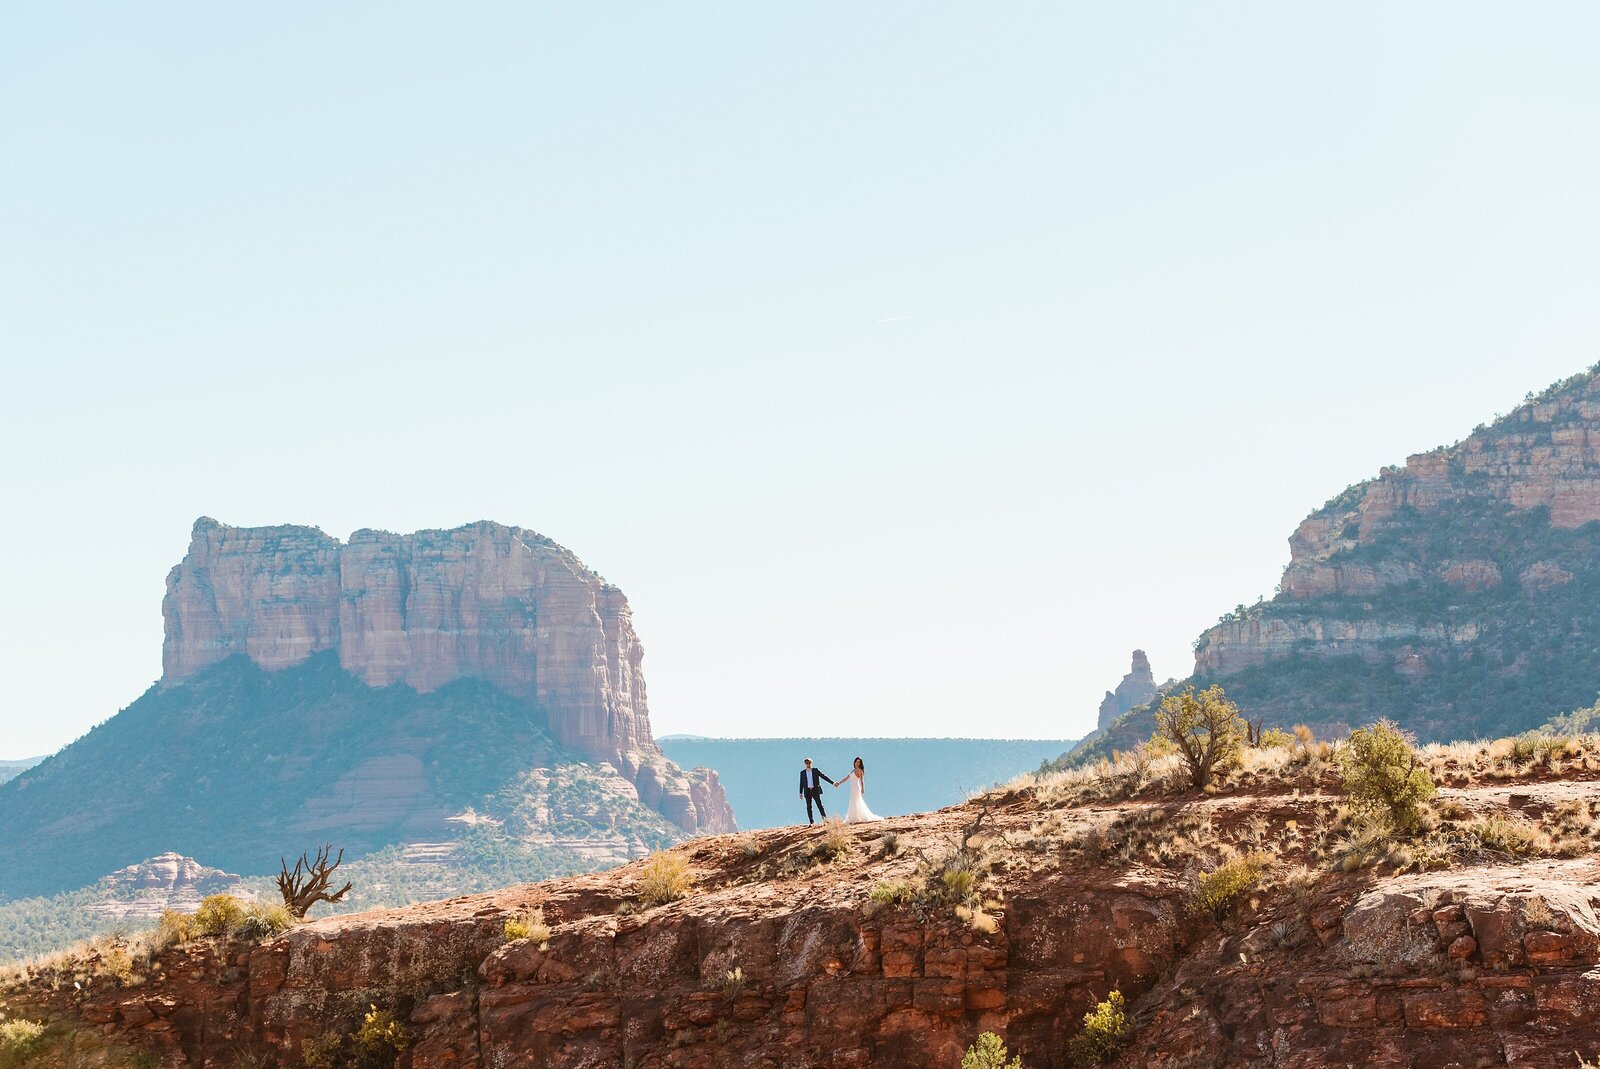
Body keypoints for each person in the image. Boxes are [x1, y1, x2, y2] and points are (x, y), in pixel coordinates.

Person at [834, 756, 881, 823]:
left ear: (860, 763)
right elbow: (847, 778)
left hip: (856, 787)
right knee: (853, 801)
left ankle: (857, 817)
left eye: (859, 762)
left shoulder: (859, 770)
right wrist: (839, 783)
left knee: (856, 801)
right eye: (856, 761)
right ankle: (854, 817)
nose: (857, 763)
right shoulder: (853, 770)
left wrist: (862, 789)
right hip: (852, 788)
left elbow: (862, 780)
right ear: (854, 762)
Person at [798, 758, 835, 825]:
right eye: (806, 763)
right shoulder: (802, 773)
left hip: (815, 790)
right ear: (805, 764)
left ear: (811, 763)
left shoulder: (815, 770)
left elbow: (824, 777)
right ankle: (811, 822)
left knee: (820, 805)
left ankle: (825, 820)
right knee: (809, 807)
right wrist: (800, 793)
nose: (808, 764)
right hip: (807, 791)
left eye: (809, 763)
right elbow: (801, 783)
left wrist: (833, 783)